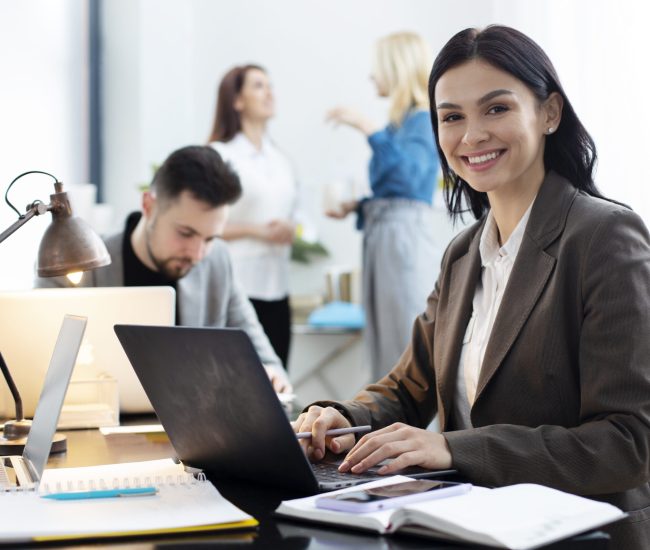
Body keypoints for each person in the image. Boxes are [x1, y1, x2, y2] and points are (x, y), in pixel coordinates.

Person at [295, 25, 650, 548]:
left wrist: (454, 449)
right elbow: (408, 389)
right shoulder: (463, 253)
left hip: (579, 533)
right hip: (466, 526)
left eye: (496, 109)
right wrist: (340, 418)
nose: (471, 135)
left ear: (550, 113)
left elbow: (628, 443)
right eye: (452, 117)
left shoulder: (604, 237)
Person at [36, 145, 291, 392]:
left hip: (195, 431)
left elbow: (267, 359)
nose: (198, 253)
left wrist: (269, 375)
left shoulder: (217, 263)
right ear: (148, 205)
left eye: (210, 238)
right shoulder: (76, 264)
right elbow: (40, 368)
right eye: (185, 233)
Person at [325, 31, 440, 380]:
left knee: (403, 340)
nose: (372, 76)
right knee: (383, 342)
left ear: (396, 68)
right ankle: (386, 428)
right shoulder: (399, 124)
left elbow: (408, 180)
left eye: (377, 68)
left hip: (401, 239)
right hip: (384, 235)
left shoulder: (422, 119)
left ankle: (412, 431)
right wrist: (357, 207)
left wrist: (367, 128)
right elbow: (396, 190)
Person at [208, 65, 298, 369]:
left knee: (278, 385)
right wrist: (257, 230)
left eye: (270, 85)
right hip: (240, 287)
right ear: (237, 100)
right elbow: (204, 224)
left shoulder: (281, 158)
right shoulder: (221, 155)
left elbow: (296, 215)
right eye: (259, 86)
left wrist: (290, 228)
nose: (270, 92)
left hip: (279, 289)